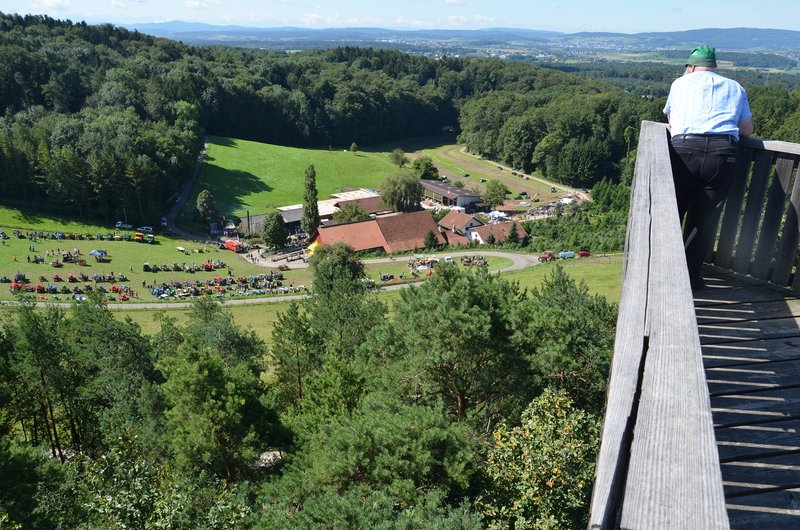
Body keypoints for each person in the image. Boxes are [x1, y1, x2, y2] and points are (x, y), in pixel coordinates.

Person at [663, 45, 753, 289]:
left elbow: (672, 120)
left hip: (684, 152)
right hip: (723, 155)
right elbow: (746, 130)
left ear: (691, 67)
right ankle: (690, 279)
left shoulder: (679, 84)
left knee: (671, 214)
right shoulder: (735, 87)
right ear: (713, 66)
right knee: (703, 221)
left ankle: (664, 273)